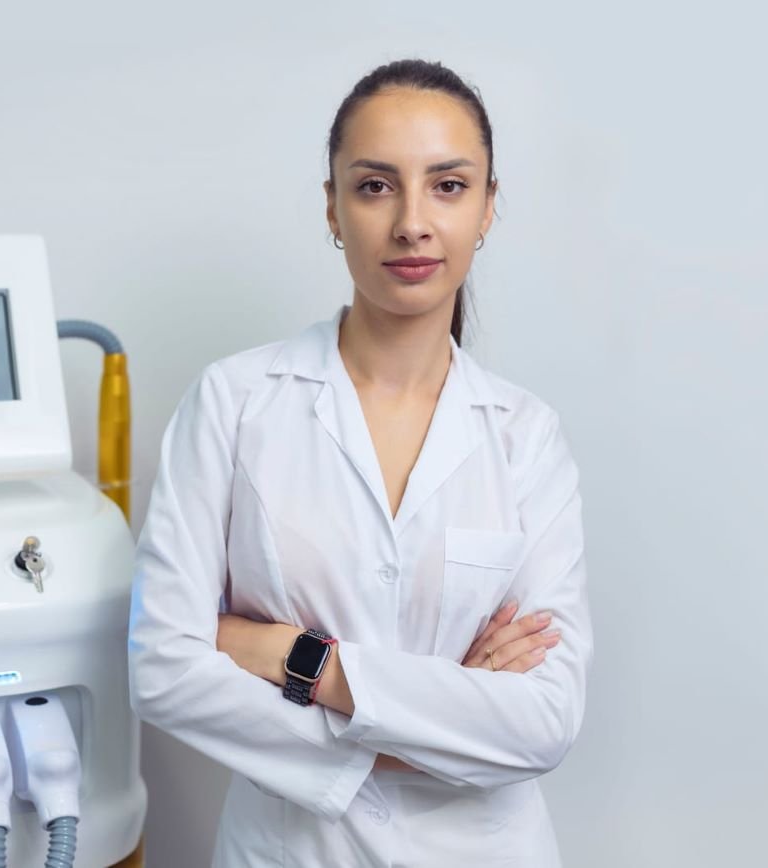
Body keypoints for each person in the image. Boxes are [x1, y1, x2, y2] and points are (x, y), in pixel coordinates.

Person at [128, 58, 594, 868]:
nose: (413, 222)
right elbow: (163, 667)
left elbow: (544, 721)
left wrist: (297, 661)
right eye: (377, 186)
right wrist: (443, 718)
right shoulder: (236, 403)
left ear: (488, 209)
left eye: (448, 186)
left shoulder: (526, 437)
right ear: (334, 208)